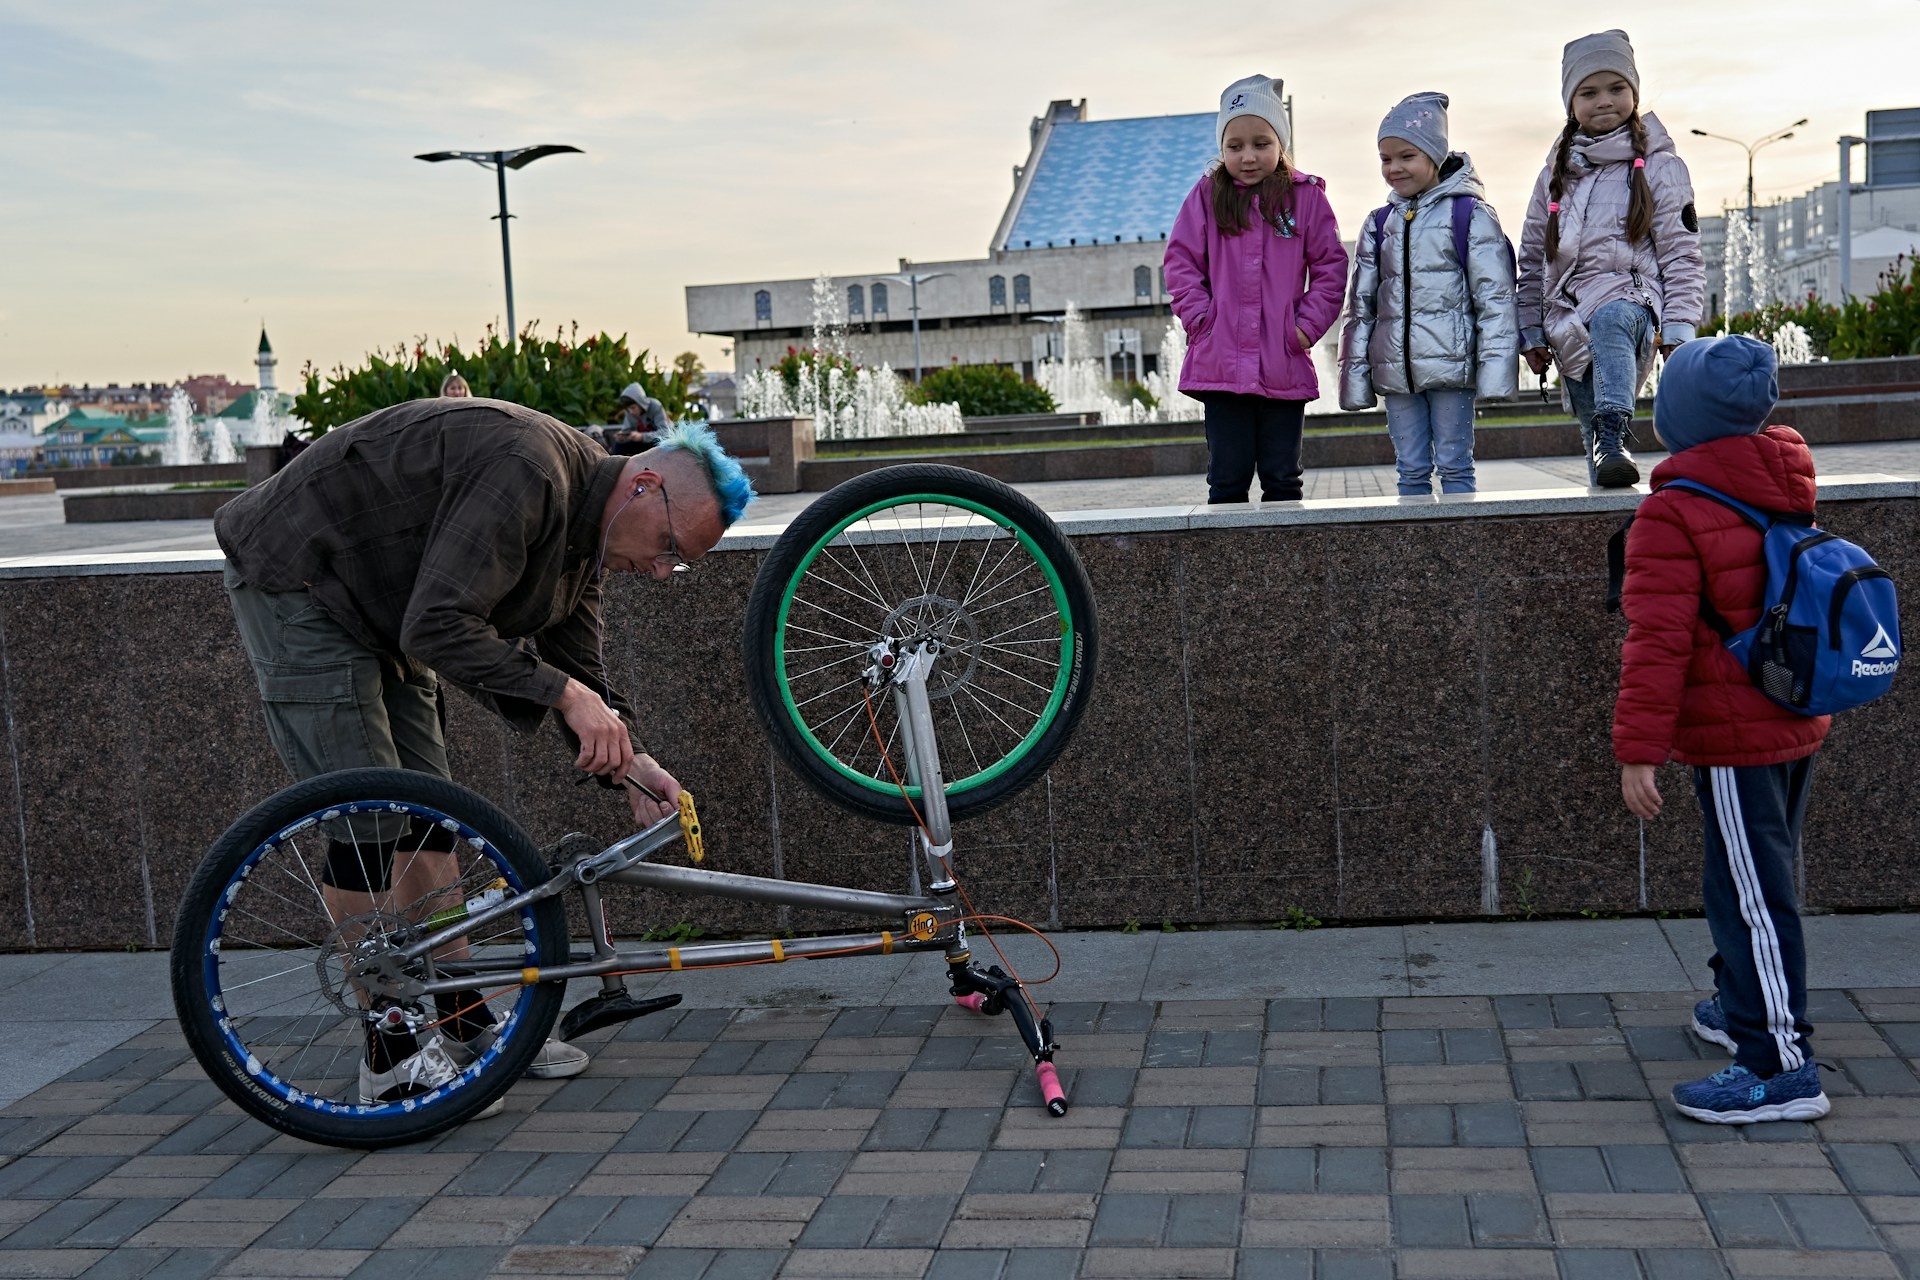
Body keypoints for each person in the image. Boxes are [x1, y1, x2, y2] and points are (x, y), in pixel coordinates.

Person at [215, 398, 755, 1108]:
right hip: (301, 582)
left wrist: (635, 764)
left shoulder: (588, 536)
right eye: (670, 549)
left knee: (432, 816)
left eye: (677, 564)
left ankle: (462, 1018)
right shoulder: (528, 470)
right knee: (368, 817)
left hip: (386, 610)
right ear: (644, 487)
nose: (661, 572)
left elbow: (580, 675)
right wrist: (563, 696)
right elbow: (441, 626)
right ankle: (391, 1052)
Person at [1614, 335, 1830, 1124]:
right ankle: (1737, 1004)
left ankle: (1778, 1064)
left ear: (1679, 418)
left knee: (1754, 894)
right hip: (1792, 712)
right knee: (1740, 878)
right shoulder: (1780, 478)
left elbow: (1658, 640)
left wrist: (1639, 751)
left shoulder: (1674, 512)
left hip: (1736, 732)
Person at [1516, 29, 1705, 489]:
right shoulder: (1554, 175)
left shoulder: (1661, 166)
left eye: (1617, 88)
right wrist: (1531, 330)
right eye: (1589, 91)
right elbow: (1532, 258)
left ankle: (1613, 433)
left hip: (1633, 300)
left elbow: (1682, 252)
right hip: (1568, 313)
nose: (1605, 100)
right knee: (1601, 462)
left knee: (1612, 318)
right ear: (1570, 102)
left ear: (1634, 94)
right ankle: (1611, 513)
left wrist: (1678, 328)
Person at [1165, 74, 1347, 503]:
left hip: (1281, 358)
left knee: (1283, 478)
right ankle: (1224, 567)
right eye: (1235, 145)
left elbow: (1330, 269)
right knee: (1226, 479)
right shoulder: (1207, 196)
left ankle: (1286, 566)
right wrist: (1201, 319)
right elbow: (1180, 261)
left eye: (1261, 143)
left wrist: (1302, 329)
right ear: (1222, 148)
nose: (1248, 156)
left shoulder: (1305, 199)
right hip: (1220, 362)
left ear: (1281, 143)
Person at [1338, 92, 1519, 494]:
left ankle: (1464, 546)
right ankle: (1414, 551)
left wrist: (1495, 373)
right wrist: (1354, 378)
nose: (1394, 168)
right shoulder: (1379, 222)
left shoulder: (1469, 214)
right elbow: (1361, 307)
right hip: (1396, 372)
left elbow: (1495, 300)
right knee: (1410, 470)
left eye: (1407, 156)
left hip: (1452, 369)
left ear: (1434, 156)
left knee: (1455, 466)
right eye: (1386, 159)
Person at [609, 381, 670, 456]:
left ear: (640, 403)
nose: (630, 412)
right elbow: (627, 430)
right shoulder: (629, 412)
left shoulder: (655, 406)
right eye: (628, 409)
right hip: (642, 443)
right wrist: (623, 437)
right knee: (619, 446)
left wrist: (642, 437)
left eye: (633, 408)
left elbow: (665, 432)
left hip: (659, 443)